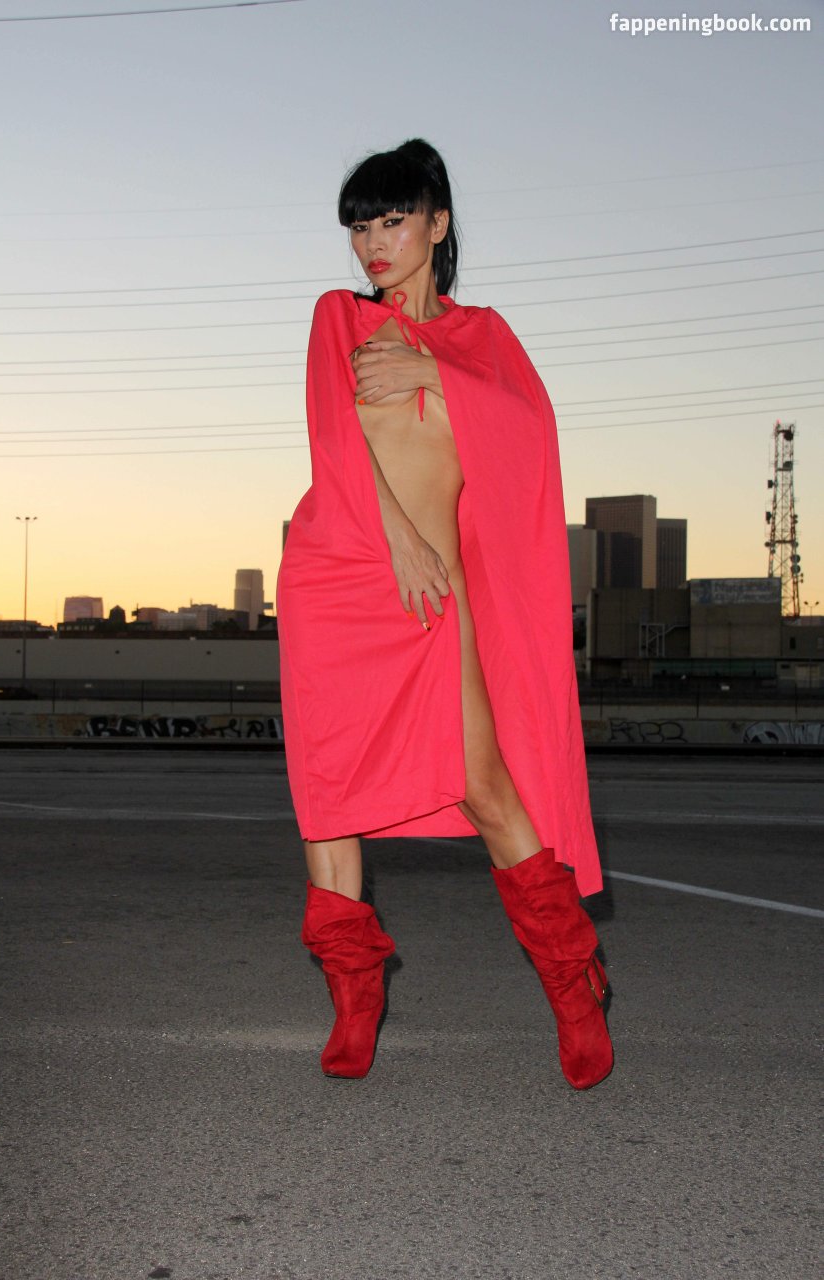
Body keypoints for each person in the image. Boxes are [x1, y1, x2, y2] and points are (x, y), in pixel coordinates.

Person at [276, 138, 613, 1090]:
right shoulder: (338, 319)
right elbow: (335, 441)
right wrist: (398, 541)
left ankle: (573, 985)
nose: (372, 243)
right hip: (339, 573)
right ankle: (354, 999)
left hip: (433, 592)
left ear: (437, 223)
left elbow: (529, 434)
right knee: (329, 798)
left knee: (483, 784)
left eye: (392, 220)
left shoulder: (483, 339)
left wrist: (433, 374)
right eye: (358, 226)